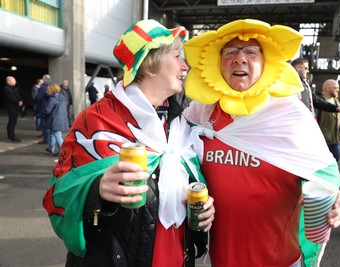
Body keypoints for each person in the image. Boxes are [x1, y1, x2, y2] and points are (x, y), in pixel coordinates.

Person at [43, 19, 215, 267]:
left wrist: (204, 210)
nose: (185, 66)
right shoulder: (96, 120)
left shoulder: (180, 125)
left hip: (177, 256)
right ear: (151, 65)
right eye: (177, 56)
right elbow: (59, 192)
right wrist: (96, 191)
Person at [182, 19, 340, 267]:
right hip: (221, 258)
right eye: (230, 52)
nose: (240, 58)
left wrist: (336, 200)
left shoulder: (290, 115)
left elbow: (326, 178)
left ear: (266, 63)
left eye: (250, 52)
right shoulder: (199, 116)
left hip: (279, 259)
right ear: (217, 63)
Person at [316, 79, 340, 163]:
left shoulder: (337, 102)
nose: (338, 90)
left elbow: (338, 119)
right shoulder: (318, 102)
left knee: (335, 164)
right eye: (335, 87)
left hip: (335, 140)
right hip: (323, 141)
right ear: (327, 88)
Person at [41, 83, 69, 156]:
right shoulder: (61, 97)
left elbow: (47, 110)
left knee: (57, 135)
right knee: (52, 134)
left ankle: (63, 152)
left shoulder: (52, 98)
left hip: (54, 119)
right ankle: (51, 148)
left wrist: (41, 114)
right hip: (60, 119)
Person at [3, 76, 24, 142]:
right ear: (9, 81)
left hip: (14, 108)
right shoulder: (7, 89)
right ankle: (12, 136)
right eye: (14, 80)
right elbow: (12, 98)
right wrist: (18, 102)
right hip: (12, 108)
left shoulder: (13, 88)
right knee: (12, 122)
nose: (15, 82)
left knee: (12, 122)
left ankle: (11, 135)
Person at [35, 74, 52, 144]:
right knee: (50, 125)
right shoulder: (53, 86)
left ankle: (46, 139)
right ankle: (50, 140)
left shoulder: (43, 87)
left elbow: (39, 97)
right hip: (51, 107)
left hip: (44, 107)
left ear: (44, 80)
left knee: (45, 125)